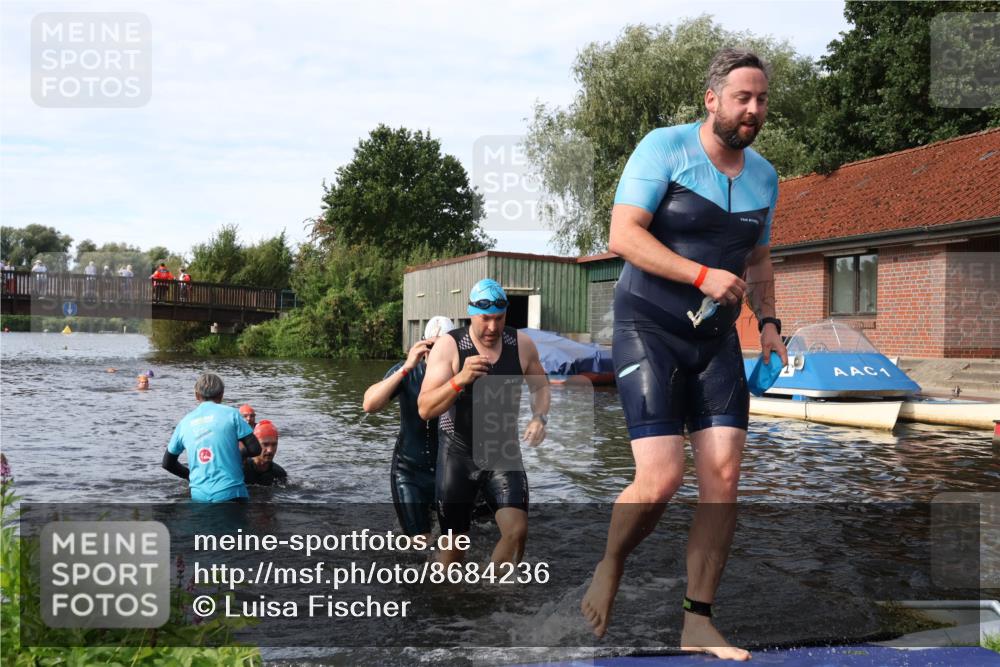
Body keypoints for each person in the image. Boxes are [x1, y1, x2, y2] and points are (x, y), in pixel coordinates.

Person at [579, 49, 787, 661]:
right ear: (713, 99)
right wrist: (700, 275)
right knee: (663, 477)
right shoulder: (664, 148)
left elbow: (759, 259)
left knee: (723, 478)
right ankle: (611, 563)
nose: (753, 109)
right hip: (650, 326)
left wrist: (770, 324)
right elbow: (623, 236)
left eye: (762, 99)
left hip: (716, 337)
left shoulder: (765, 176)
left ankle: (698, 619)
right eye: (743, 97)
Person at [418, 279, 550, 565]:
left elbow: (540, 387)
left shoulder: (522, 345)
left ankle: (494, 600)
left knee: (517, 531)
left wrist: (539, 417)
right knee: (454, 551)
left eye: (499, 319)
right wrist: (459, 380)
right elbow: (425, 409)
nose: (492, 327)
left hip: (503, 453)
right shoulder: (450, 347)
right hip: (458, 455)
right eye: (485, 319)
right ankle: (448, 602)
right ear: (470, 314)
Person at [363, 315, 456, 541]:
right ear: (422, 345)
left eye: (442, 346)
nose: (434, 353)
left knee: (455, 542)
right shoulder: (407, 372)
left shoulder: (460, 375)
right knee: (419, 544)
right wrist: (406, 367)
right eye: (430, 345)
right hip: (409, 471)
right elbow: (369, 405)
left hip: (450, 472)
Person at [161, 373, 261, 502]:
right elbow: (255, 449)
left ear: (197, 395)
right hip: (232, 493)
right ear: (221, 395)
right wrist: (236, 453)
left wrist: (189, 476)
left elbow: (167, 463)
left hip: (198, 496)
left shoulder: (184, 423)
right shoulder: (232, 414)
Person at [242, 420, 288, 486]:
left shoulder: (279, 474)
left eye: (274, 444)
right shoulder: (240, 469)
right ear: (255, 443)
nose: (270, 450)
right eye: (265, 444)